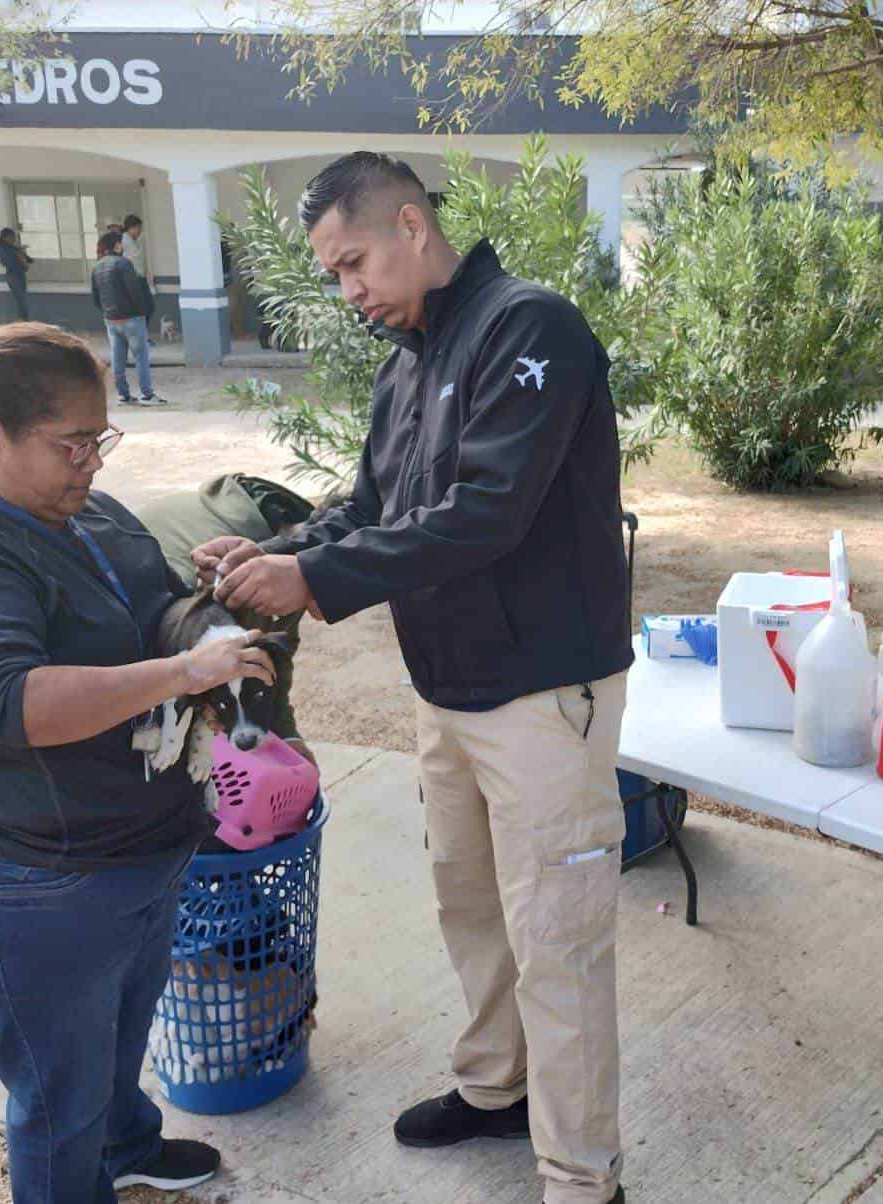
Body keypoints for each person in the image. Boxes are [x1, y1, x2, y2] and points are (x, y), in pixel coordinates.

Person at [194, 152, 634, 1204]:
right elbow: (371, 511)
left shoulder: (531, 330)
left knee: (557, 940)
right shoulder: (407, 364)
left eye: (352, 264)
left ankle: (582, 1174)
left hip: (541, 692)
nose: (348, 292)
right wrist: (278, 554)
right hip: (449, 688)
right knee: (472, 906)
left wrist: (317, 577)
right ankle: (495, 1090)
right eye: (335, 274)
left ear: (408, 222)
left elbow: (488, 512)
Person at [0, 322, 275, 1202]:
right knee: (58, 1095)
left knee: (117, 1036)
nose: (94, 461)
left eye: (102, 438)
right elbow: (12, 702)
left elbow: (143, 602)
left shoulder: (82, 511)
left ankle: (125, 1142)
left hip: (127, 844)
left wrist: (195, 589)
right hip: (21, 874)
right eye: (74, 443)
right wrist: (182, 669)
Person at [134, 473, 321, 764]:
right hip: (156, 568)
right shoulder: (245, 578)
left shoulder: (289, 568)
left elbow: (273, 659)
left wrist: (286, 734)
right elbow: (166, 655)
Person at [91, 231, 166, 406]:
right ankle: (147, 395)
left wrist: (107, 313)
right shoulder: (124, 264)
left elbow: (95, 298)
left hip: (111, 319)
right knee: (141, 357)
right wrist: (142, 312)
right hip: (132, 318)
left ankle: (123, 395)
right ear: (117, 245)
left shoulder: (97, 267)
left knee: (117, 358)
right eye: (120, 243)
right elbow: (135, 292)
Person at [121, 214, 155, 331]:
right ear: (131, 228)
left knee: (149, 307)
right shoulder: (123, 241)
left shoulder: (136, 241)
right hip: (132, 280)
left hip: (141, 278)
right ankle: (139, 336)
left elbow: (140, 260)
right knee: (139, 310)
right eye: (139, 228)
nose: (140, 231)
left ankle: (142, 334)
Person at [0, 228, 33, 320]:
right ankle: (24, 321)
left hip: (13, 275)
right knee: (22, 300)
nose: (14, 239)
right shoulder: (7, 248)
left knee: (20, 300)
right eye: (12, 237)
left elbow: (28, 260)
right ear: (6, 237)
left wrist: (22, 255)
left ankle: (23, 321)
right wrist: (24, 262)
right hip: (15, 275)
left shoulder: (6, 248)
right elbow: (20, 263)